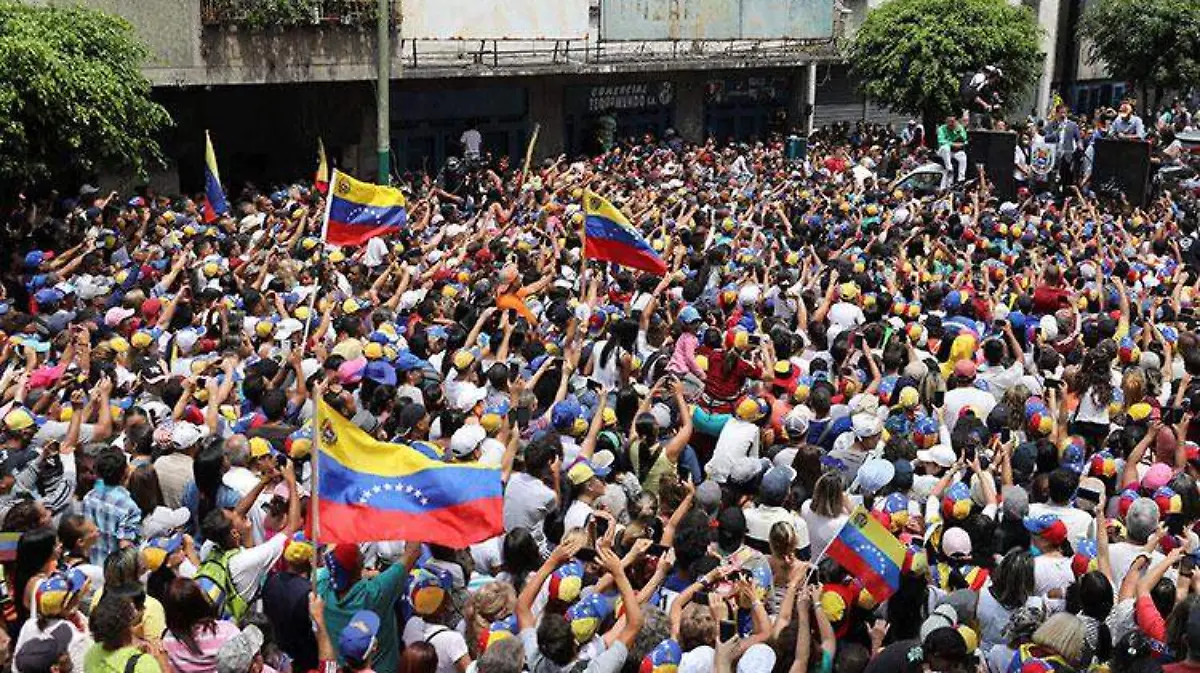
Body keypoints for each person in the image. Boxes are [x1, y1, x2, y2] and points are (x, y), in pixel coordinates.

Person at [937, 115, 969, 188]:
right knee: (946, 148)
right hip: (943, 151)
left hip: (954, 151)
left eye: (953, 122)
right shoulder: (941, 129)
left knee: (962, 156)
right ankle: (949, 168)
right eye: (950, 123)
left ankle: (961, 179)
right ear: (946, 122)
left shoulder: (959, 128)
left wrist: (958, 133)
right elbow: (941, 141)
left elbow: (965, 140)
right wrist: (953, 144)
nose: (951, 125)